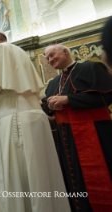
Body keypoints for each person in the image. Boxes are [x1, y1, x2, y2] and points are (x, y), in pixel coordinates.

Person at [0, 29, 70, 212]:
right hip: (29, 118)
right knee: (38, 179)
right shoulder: (20, 52)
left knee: (14, 181)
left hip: (12, 120)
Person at [44, 44, 112, 212]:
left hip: (95, 132)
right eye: (47, 59)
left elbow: (105, 97)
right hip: (66, 137)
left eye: (52, 55)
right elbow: (47, 108)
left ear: (65, 51)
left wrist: (68, 100)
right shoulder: (53, 83)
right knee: (73, 177)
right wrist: (51, 106)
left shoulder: (92, 67)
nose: (50, 60)